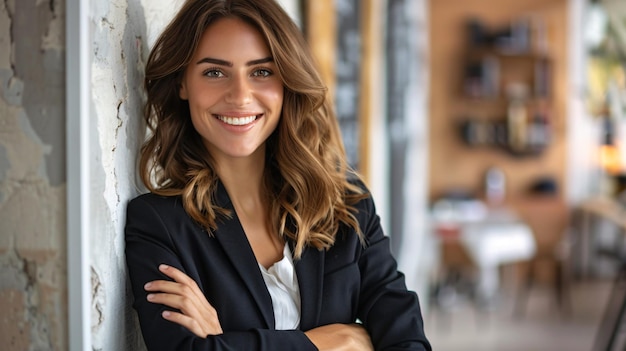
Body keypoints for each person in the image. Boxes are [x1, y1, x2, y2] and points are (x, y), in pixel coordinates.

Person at [124, 0, 432, 350]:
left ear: (287, 80)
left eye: (261, 72)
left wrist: (228, 342)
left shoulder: (346, 203)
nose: (240, 96)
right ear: (183, 83)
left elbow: (408, 340)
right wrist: (333, 341)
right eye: (214, 72)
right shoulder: (157, 224)